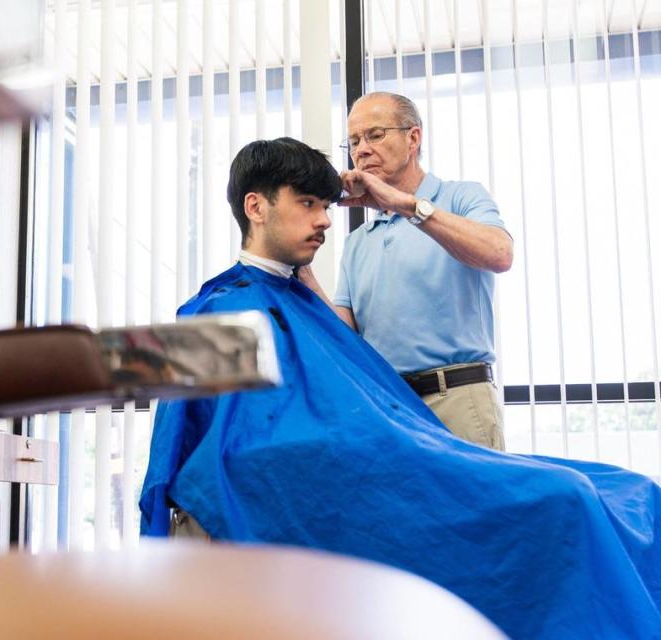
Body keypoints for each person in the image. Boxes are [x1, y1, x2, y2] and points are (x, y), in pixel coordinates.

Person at [140, 137, 661, 640]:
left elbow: (341, 377)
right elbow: (186, 452)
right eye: (307, 203)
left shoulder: (299, 299)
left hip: (396, 458)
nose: (325, 219)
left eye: (325, 204)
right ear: (256, 206)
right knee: (566, 499)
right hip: (352, 479)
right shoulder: (216, 309)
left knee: (622, 491)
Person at [299, 92, 512, 451]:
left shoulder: (462, 198)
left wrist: (407, 206)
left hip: (457, 401)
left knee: (467, 508)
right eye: (353, 141)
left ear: (413, 138)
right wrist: (301, 269)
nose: (361, 150)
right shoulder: (358, 242)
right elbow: (342, 339)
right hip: (386, 406)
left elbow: (500, 253)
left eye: (375, 135)